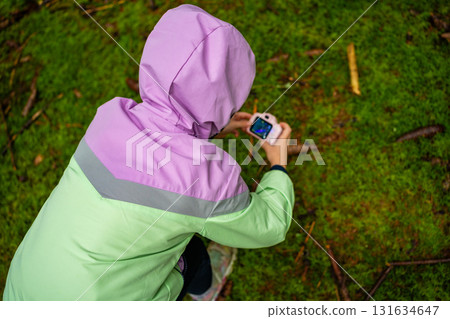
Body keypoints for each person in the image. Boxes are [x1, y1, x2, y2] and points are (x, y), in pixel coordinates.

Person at [3, 4, 294, 301]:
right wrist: (278, 163)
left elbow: (162, 129)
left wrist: (209, 125)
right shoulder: (205, 177)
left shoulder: (107, 120)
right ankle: (204, 291)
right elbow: (269, 224)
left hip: (21, 291)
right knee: (190, 250)